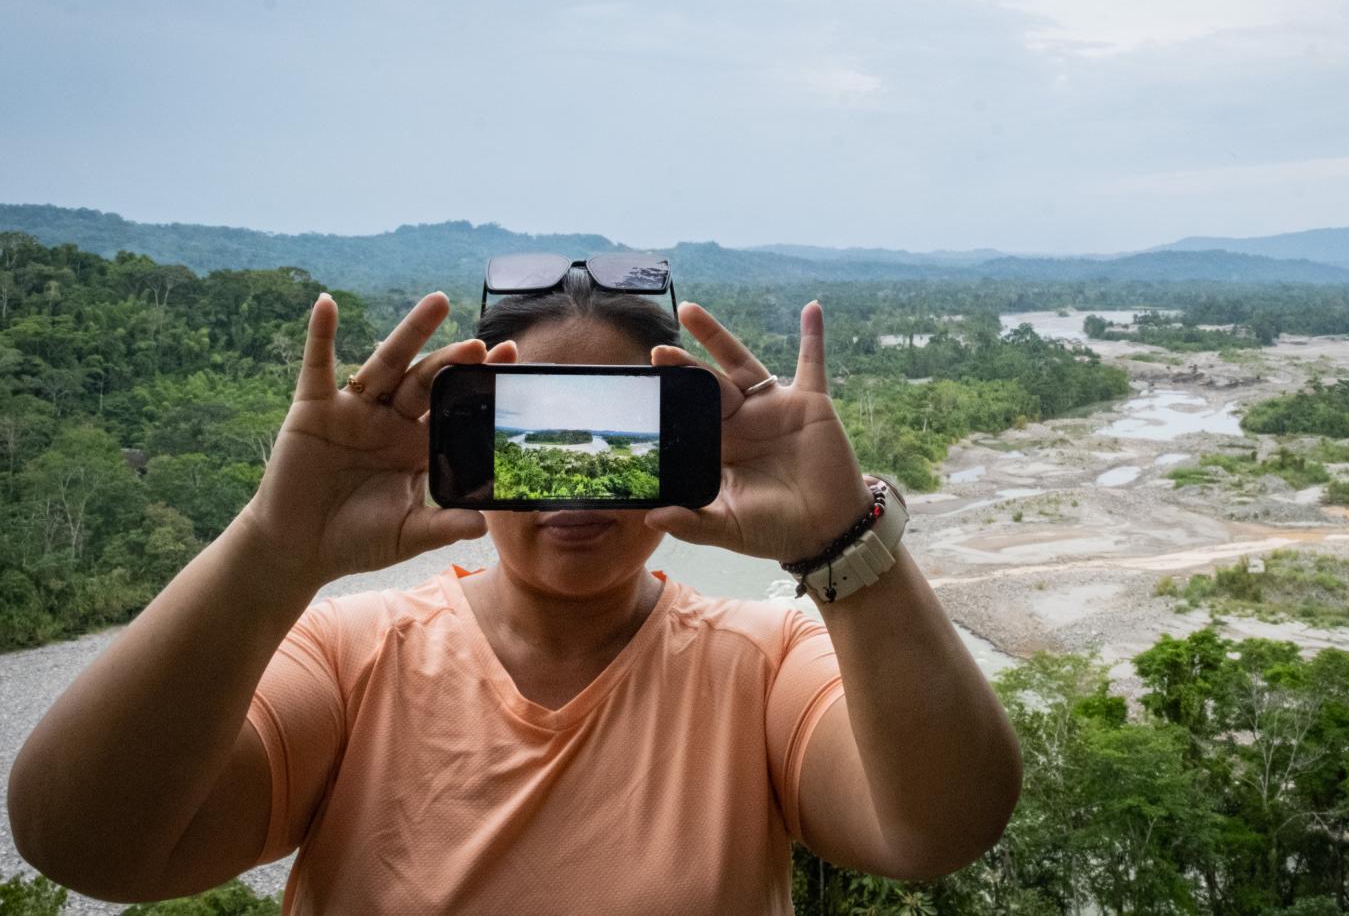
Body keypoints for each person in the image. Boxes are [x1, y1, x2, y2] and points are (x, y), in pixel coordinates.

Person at [8, 271, 1022, 914]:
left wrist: (842, 548)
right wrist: (275, 548)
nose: (573, 481)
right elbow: (86, 842)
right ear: (464, 447)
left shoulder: (762, 665)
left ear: (685, 450)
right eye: (530, 437)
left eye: (618, 437)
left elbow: (935, 826)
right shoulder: (352, 657)